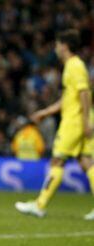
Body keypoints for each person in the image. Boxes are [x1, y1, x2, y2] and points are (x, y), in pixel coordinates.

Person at [15, 30, 94, 220]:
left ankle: (39, 205)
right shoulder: (73, 66)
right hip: (77, 119)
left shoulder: (74, 66)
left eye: (58, 44)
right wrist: (45, 112)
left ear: (65, 45)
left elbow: (84, 94)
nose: (56, 48)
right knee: (87, 162)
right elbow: (68, 99)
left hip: (74, 122)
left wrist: (86, 122)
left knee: (57, 161)